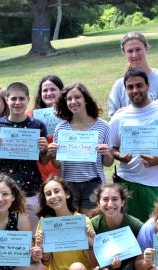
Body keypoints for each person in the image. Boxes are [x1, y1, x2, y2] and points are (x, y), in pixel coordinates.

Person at [109, 68, 158, 222]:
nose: (135, 90)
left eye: (139, 85)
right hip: (128, 182)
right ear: (125, 89)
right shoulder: (119, 117)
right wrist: (119, 156)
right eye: (130, 87)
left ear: (148, 85)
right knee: (132, 232)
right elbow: (111, 147)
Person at [0, 82, 50, 232]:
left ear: (28, 99)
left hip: (31, 188)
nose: (17, 103)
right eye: (13, 99)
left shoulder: (37, 125)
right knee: (5, 234)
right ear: (7, 100)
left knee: (32, 234)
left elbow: (43, 161)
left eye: (21, 99)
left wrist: (43, 151)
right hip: (4, 188)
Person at [47, 83, 113, 215]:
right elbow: (57, 164)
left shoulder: (103, 126)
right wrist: (53, 155)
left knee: (90, 224)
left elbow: (108, 163)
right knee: (73, 224)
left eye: (77, 97)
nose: (73, 102)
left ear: (86, 100)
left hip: (93, 183)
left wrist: (107, 154)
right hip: (68, 184)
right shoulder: (61, 128)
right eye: (69, 99)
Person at [88, 183, 144, 270]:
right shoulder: (93, 224)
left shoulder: (135, 224)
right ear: (98, 202)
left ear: (122, 202)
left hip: (130, 269)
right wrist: (92, 246)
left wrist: (129, 268)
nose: (110, 204)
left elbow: (142, 252)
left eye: (115, 199)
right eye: (105, 199)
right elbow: (90, 261)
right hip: (105, 269)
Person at [108, 31, 158, 116]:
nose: (134, 55)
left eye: (138, 49)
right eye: (130, 51)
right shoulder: (119, 86)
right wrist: (119, 114)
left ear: (146, 49)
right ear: (125, 53)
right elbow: (113, 120)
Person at [27, 75, 64, 182]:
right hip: (39, 173)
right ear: (40, 93)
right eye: (45, 90)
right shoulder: (30, 115)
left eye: (53, 89)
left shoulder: (69, 114)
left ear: (61, 92)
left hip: (64, 171)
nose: (49, 93)